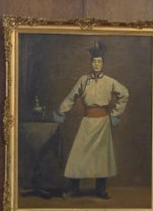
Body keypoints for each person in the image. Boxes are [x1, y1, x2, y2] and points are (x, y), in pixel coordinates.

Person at [54, 42, 128, 199]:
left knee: (102, 157)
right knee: (78, 154)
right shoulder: (83, 80)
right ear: (91, 63)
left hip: (103, 123)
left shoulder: (109, 81)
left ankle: (100, 190)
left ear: (103, 64)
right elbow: (71, 97)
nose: (96, 64)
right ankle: (73, 189)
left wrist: (115, 114)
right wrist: (61, 112)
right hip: (87, 122)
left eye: (99, 61)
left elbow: (124, 94)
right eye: (94, 61)